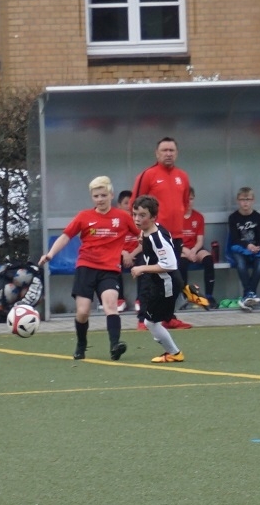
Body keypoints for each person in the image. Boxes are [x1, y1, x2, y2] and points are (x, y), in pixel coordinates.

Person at [39, 176, 140, 361]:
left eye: (103, 195)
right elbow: (66, 236)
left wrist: (133, 252)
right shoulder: (84, 216)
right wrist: (50, 254)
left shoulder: (123, 217)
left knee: (111, 305)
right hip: (86, 267)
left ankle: (115, 345)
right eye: (96, 196)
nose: (100, 199)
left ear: (111, 195)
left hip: (110, 270)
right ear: (92, 197)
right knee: (83, 312)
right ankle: (81, 344)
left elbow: (144, 235)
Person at [131, 137, 192, 330]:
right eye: (164, 150)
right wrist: (140, 232)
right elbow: (135, 205)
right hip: (153, 236)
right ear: (157, 153)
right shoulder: (147, 175)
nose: (168, 154)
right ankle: (143, 318)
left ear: (177, 153)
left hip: (175, 237)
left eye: (171, 150)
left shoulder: (183, 176)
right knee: (149, 278)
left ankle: (168, 317)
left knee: (174, 279)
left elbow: (184, 204)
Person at [130, 195, 185, 363]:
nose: (137, 219)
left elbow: (170, 264)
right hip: (159, 282)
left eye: (142, 215)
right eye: (135, 214)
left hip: (165, 284)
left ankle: (175, 353)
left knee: (151, 323)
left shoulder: (157, 238)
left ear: (153, 217)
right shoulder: (151, 229)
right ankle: (186, 294)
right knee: (153, 319)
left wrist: (141, 268)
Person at [227, 187, 260, 311]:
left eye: (248, 199)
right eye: (242, 200)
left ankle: (248, 295)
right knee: (241, 264)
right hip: (239, 249)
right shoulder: (233, 218)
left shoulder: (258, 217)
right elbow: (234, 239)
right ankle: (249, 293)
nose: (245, 203)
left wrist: (258, 248)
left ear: (253, 200)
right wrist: (247, 246)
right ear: (238, 201)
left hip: (255, 250)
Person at [179, 187, 215, 306]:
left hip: (195, 248)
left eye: (191, 199)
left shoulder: (199, 217)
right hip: (181, 249)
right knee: (181, 263)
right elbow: (174, 241)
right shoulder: (176, 217)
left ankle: (209, 296)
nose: (189, 202)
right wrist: (186, 251)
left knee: (208, 259)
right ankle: (184, 297)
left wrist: (193, 251)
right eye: (186, 199)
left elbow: (200, 240)